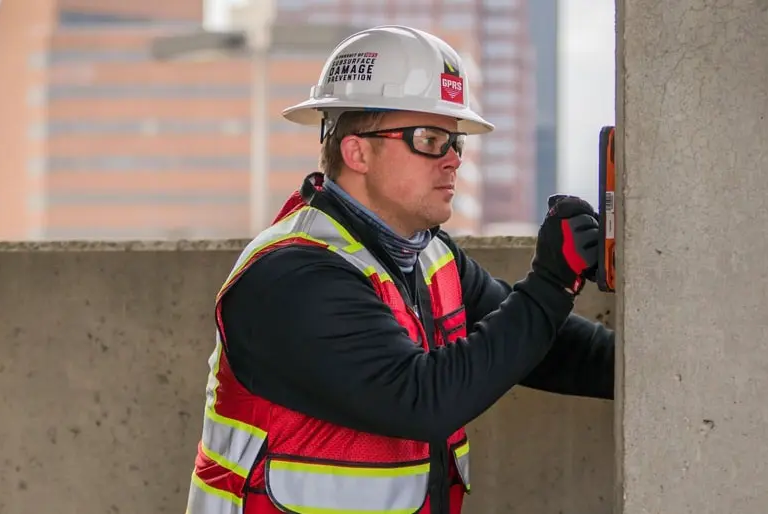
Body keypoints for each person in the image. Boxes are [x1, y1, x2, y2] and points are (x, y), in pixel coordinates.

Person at [183, 25, 614, 514]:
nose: (453, 160)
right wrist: (553, 282)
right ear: (357, 151)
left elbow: (542, 347)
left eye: (456, 142)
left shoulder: (430, 257)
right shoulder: (292, 277)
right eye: (430, 139)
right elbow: (422, 399)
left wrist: (662, 367)